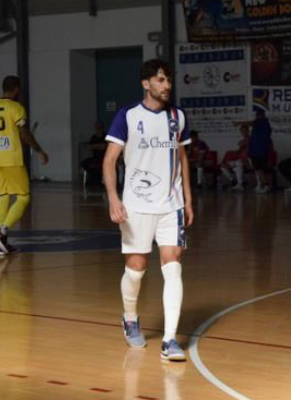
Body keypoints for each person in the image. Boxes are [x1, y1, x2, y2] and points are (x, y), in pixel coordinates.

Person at [102, 59, 193, 362]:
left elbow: (183, 158)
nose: (167, 85)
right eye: (161, 80)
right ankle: (130, 318)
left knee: (173, 264)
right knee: (136, 268)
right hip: (136, 206)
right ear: (146, 83)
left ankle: (170, 339)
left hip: (171, 205)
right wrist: (114, 199)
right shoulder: (128, 115)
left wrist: (188, 200)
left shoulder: (178, 116)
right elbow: (109, 160)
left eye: (169, 80)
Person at [0, 75, 48, 255]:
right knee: (23, 197)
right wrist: (39, 150)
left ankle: (2, 244)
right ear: (16, 89)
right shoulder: (16, 108)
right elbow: (24, 133)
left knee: (3, 198)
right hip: (12, 159)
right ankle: (2, 231)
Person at [235, 109, 273, 193]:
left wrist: (238, 123)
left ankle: (266, 185)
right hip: (258, 151)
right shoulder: (262, 127)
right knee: (260, 169)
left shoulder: (262, 122)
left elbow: (251, 123)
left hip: (259, 151)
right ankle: (265, 185)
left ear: (259, 116)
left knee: (260, 169)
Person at [219, 124, 250, 191]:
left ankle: (240, 184)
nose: (244, 132)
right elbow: (239, 151)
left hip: (249, 160)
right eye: (242, 131)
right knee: (223, 166)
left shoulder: (252, 139)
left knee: (238, 162)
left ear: (248, 131)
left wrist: (245, 144)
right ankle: (233, 181)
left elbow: (249, 151)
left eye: (245, 131)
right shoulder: (241, 141)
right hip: (240, 159)